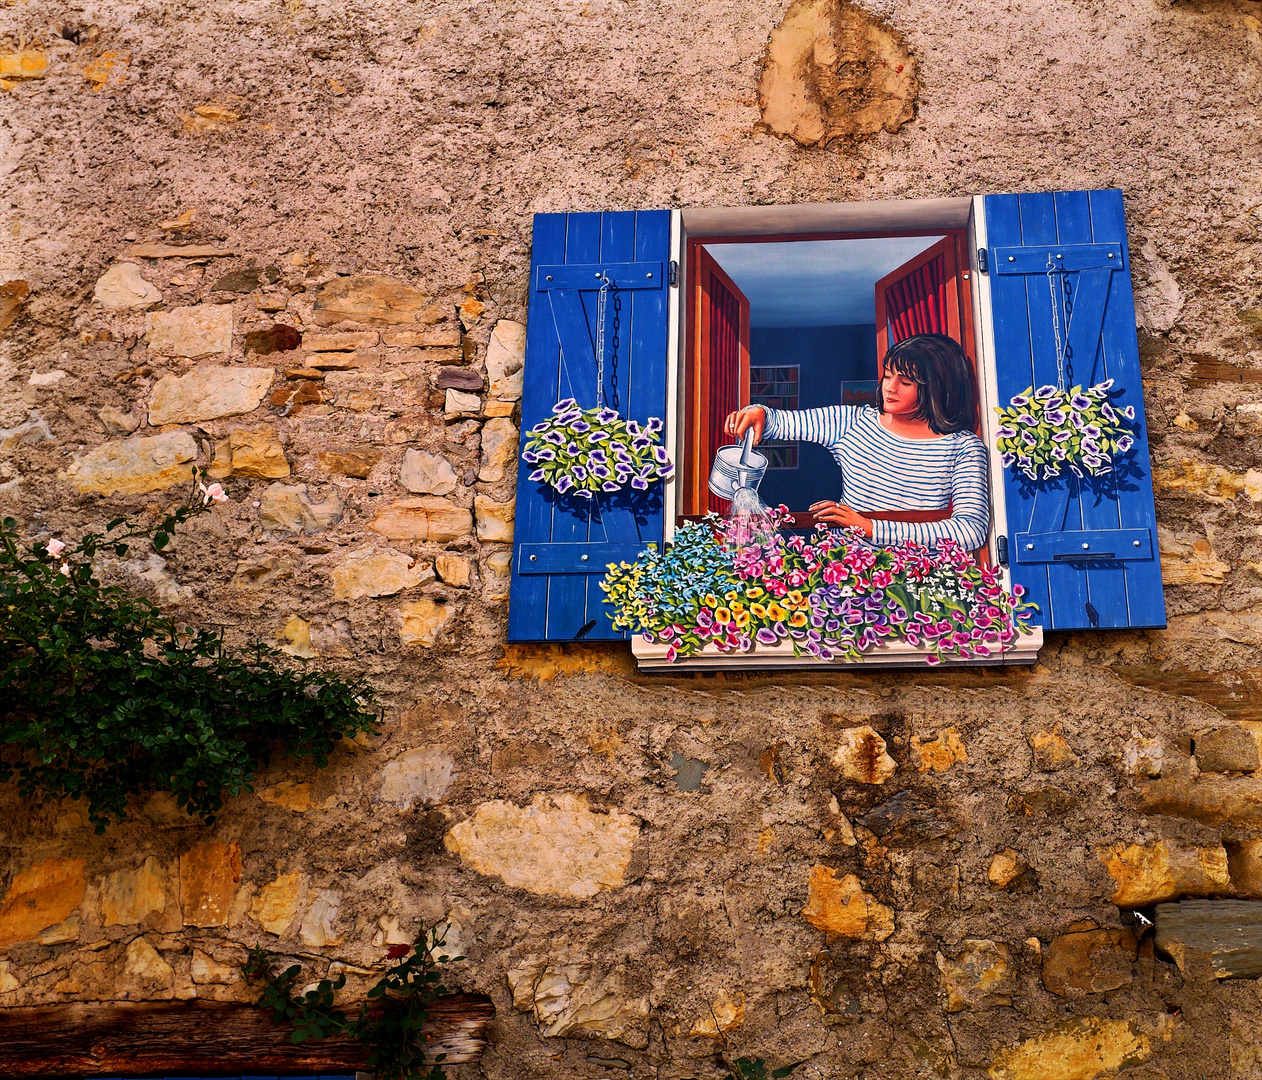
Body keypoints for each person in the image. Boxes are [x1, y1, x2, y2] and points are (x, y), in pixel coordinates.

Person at [723, 333, 990, 550]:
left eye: (905, 381)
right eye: (887, 375)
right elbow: (783, 422)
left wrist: (870, 528)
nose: (889, 387)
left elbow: (971, 530)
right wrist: (759, 413)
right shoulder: (852, 422)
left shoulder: (962, 448)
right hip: (844, 573)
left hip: (916, 584)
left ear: (937, 388)